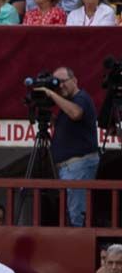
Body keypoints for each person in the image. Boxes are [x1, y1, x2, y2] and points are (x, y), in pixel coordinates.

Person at [35, 66, 98, 228]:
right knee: (70, 211)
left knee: (76, 215)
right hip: (70, 168)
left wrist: (51, 94)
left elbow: (76, 114)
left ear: (75, 80)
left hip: (78, 165)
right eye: (57, 83)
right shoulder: (68, 103)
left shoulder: (81, 97)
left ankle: (78, 241)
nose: (60, 86)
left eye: (63, 81)